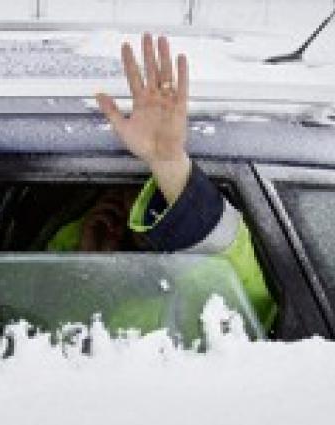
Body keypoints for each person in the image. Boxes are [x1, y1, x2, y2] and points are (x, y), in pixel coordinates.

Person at [50, 33, 277, 332]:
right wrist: (88, 268)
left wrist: (167, 163)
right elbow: (39, 325)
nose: (125, 202)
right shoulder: (68, 245)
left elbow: (236, 290)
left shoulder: (205, 303)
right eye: (117, 189)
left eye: (149, 191)